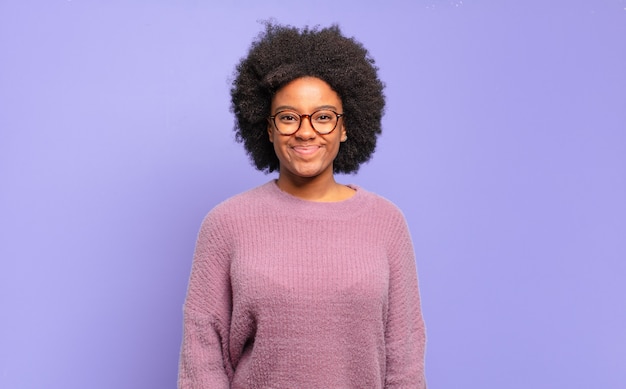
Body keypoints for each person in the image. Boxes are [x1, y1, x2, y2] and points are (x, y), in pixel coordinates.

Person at [178, 23, 427, 388]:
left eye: (324, 116)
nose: (306, 131)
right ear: (268, 128)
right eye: (289, 117)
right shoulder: (226, 223)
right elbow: (203, 357)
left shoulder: (386, 222)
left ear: (346, 127)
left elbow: (404, 361)